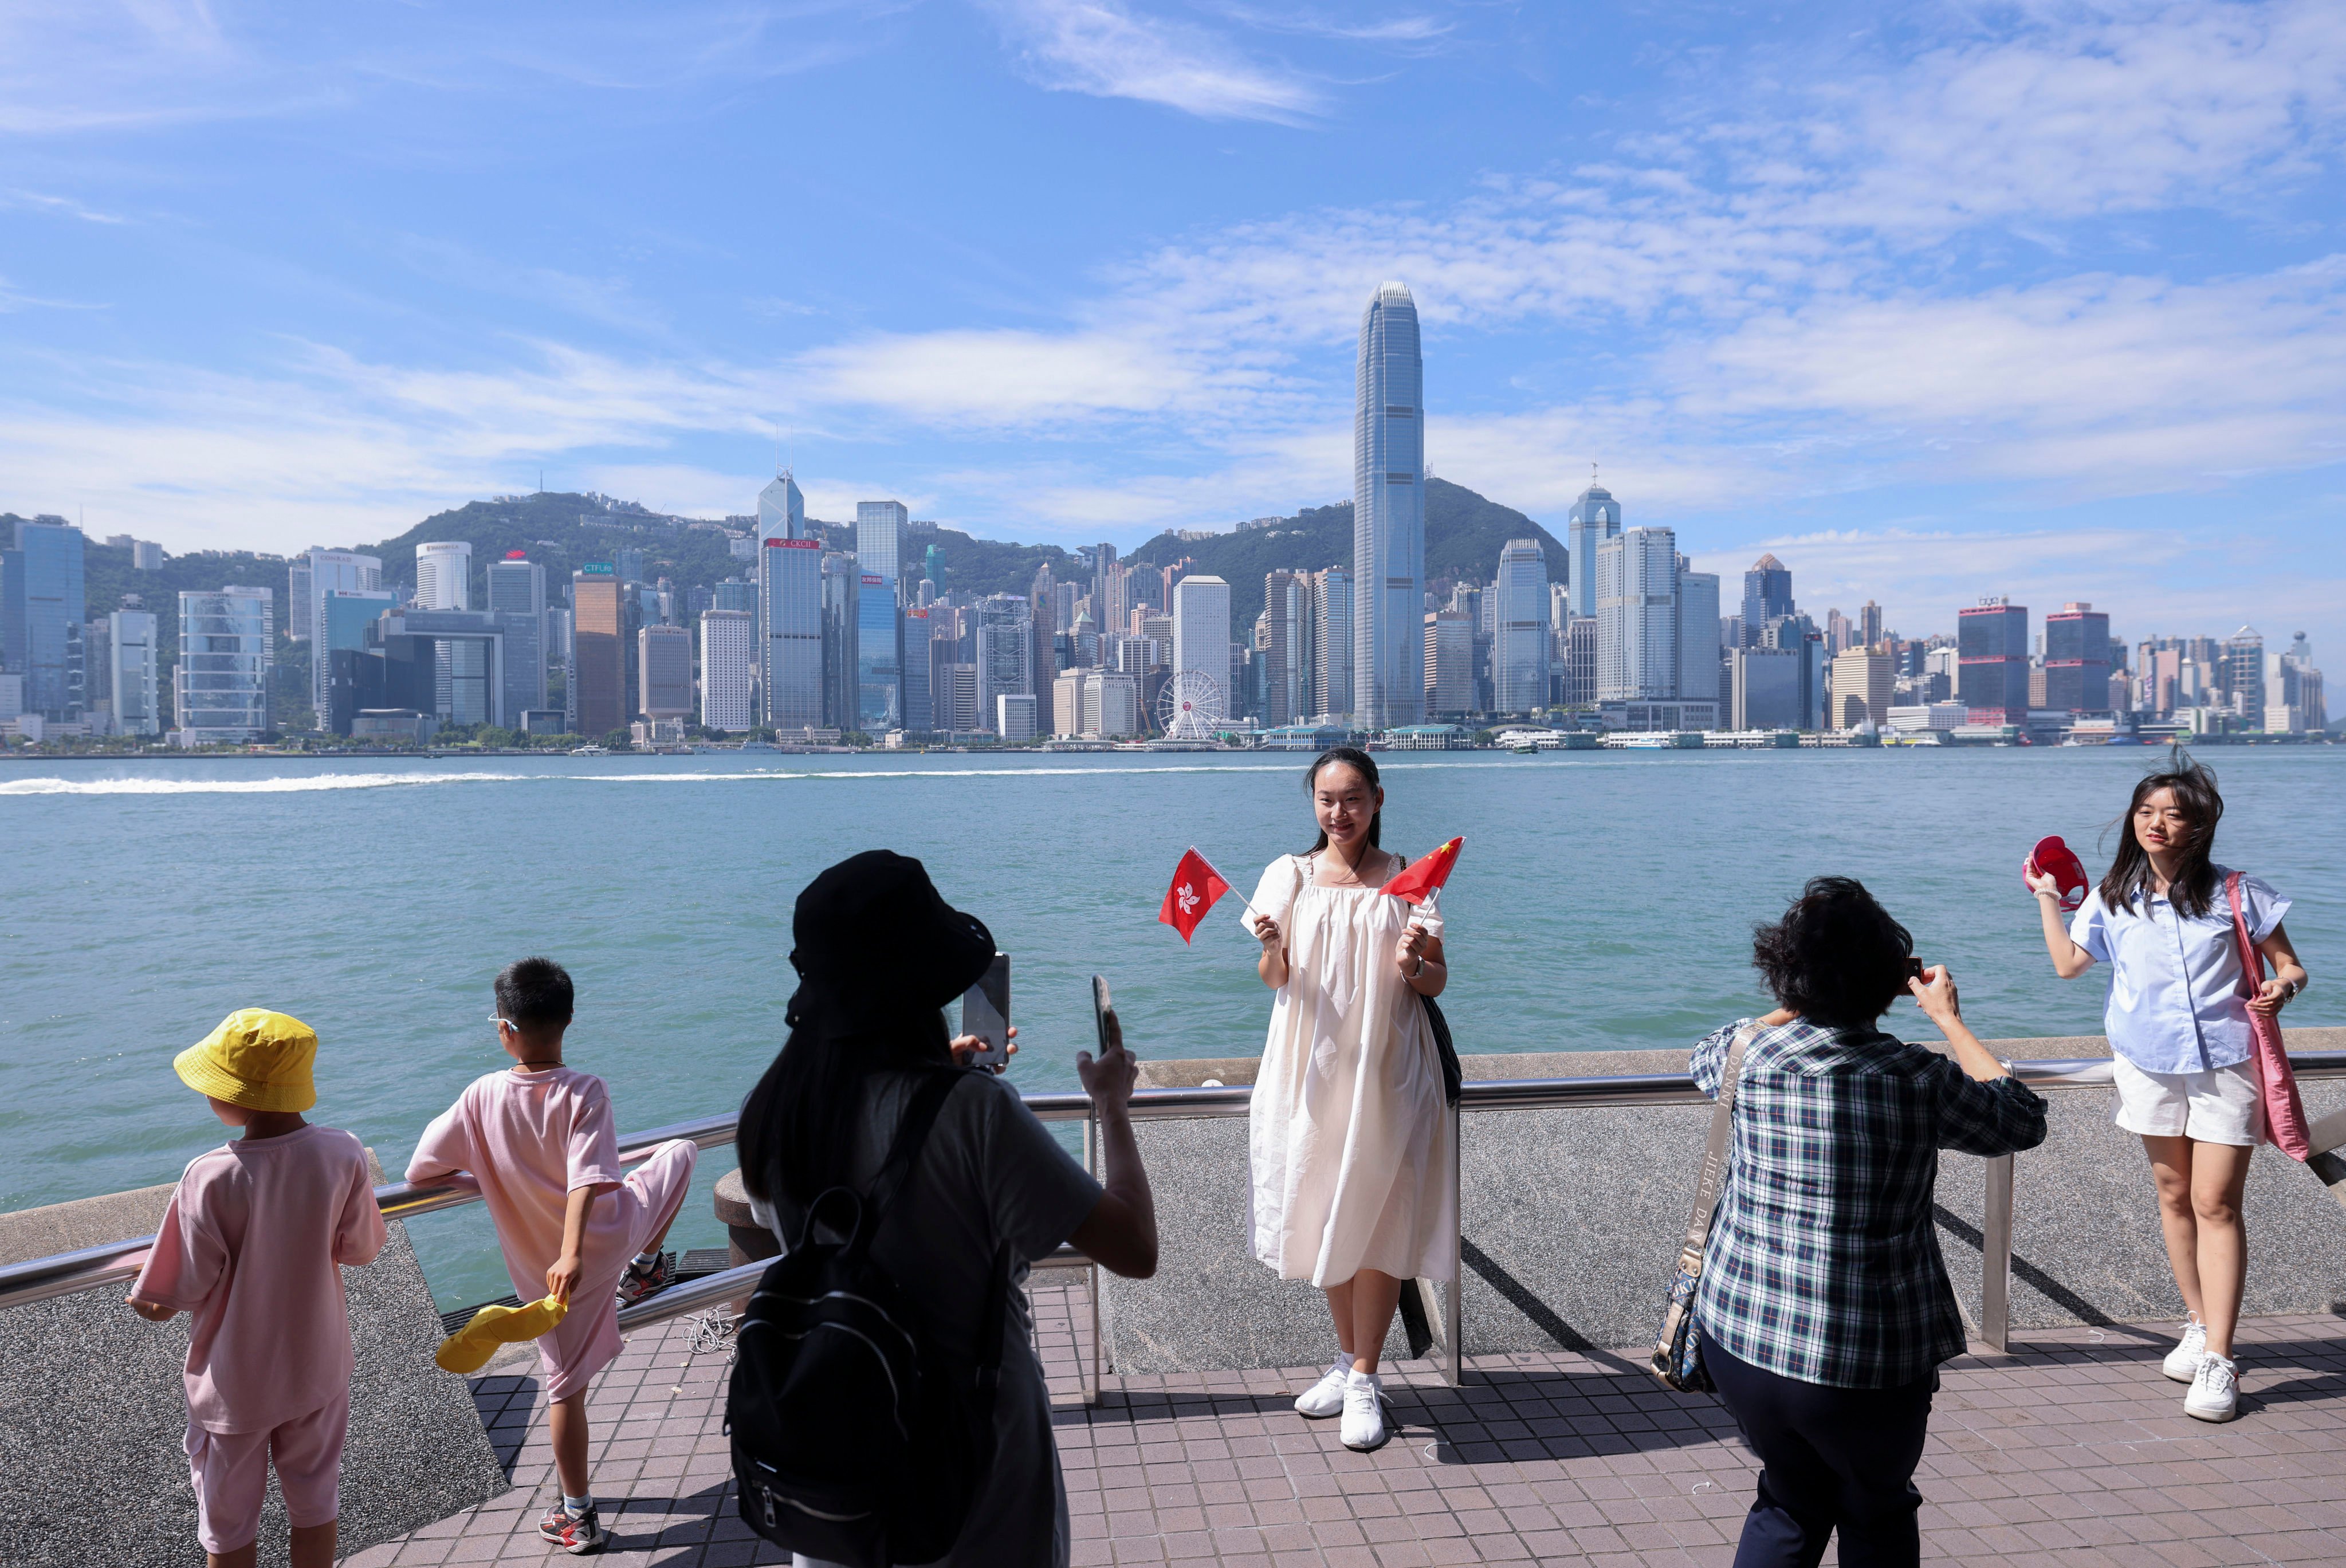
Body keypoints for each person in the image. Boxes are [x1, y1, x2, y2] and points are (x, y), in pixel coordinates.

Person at [736, 850, 1158, 1568]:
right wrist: (1111, 1106)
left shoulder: (773, 1113)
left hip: (840, 1464)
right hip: (973, 1468)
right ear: (921, 983)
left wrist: (936, 1082)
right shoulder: (976, 1114)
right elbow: (1134, 1246)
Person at [1693, 878, 2046, 1568]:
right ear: (1891, 983)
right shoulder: (1916, 1077)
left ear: (1785, 974)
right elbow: (2020, 1119)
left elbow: (1708, 1050)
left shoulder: (1747, 1055)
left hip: (1741, 1338)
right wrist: (1947, 1018)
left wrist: (1801, 990)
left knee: (1789, 1499)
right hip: (1864, 1359)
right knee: (1875, 1510)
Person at [2027, 760, 2308, 1422]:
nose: (2157, 822)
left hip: (2227, 1062)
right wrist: (2046, 895)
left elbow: (2291, 963)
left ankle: (2221, 1355)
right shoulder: (2113, 895)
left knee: (2217, 1202)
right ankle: (2196, 1320)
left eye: (2174, 812)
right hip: (2147, 1063)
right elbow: (2069, 965)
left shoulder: (2238, 893)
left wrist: (2282, 987)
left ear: (2200, 824)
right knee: (2175, 1194)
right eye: (2147, 810)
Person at [406, 957, 699, 1555]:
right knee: (681, 1152)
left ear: (504, 1029)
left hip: (549, 1273)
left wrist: (493, 1179)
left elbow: (420, 1171)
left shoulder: (480, 1095)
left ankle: (578, 1516)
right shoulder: (586, 1089)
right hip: (607, 1235)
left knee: (565, 1389)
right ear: (568, 1021)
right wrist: (578, 1250)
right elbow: (589, 1178)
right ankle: (644, 1269)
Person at [1244, 745, 1452, 1453]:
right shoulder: (1289, 875)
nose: (1341, 812)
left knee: (1380, 1218)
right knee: (1326, 1207)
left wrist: (1414, 961)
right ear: (1313, 804)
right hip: (1309, 1064)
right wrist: (1273, 945)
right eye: (1328, 799)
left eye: (1354, 798)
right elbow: (1275, 980)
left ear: (1379, 800)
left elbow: (1436, 983)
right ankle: (1345, 1356)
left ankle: (1366, 1375)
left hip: (1389, 1067)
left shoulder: (1408, 880)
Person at [127, 1009, 388, 1568]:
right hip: (316, 1370)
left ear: (237, 1094)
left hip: (235, 1391)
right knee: (316, 1504)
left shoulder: (209, 1176)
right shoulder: (342, 1153)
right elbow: (362, 1248)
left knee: (227, 1525)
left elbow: (171, 1296)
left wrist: (141, 1292)